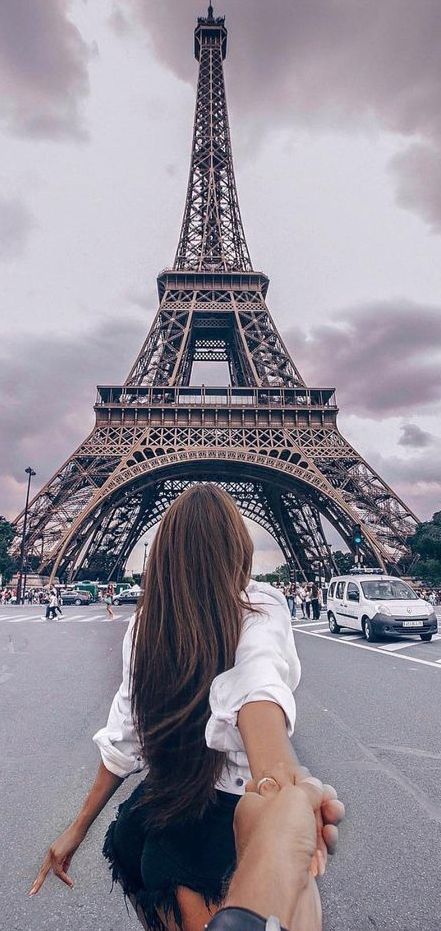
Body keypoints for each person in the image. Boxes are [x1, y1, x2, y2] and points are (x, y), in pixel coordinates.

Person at [29, 486, 343, 931]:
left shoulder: (147, 623)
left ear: (165, 552)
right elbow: (259, 680)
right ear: (239, 547)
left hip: (169, 815)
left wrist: (77, 828)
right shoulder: (258, 607)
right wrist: (279, 787)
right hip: (221, 818)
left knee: (135, 847)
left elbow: (127, 735)